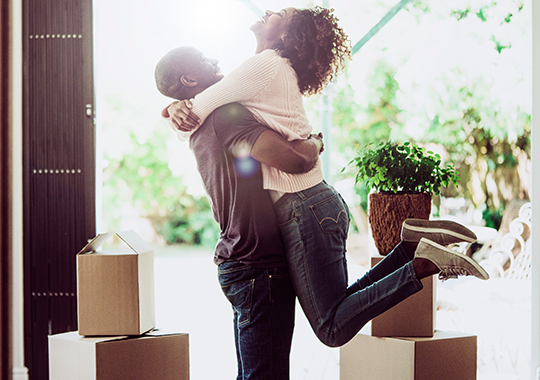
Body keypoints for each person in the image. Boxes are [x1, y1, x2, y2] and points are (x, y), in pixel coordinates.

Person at [157, 6, 489, 349]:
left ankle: (423, 263)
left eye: (277, 15)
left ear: (284, 35)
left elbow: (195, 115)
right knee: (338, 307)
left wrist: (173, 111)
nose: (269, 10)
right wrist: (170, 109)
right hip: (312, 203)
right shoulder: (261, 70)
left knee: (331, 327)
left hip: (302, 205)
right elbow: (201, 112)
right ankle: (409, 248)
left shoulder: (263, 65)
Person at [157, 46, 325, 379]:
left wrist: (172, 109)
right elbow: (296, 161)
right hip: (258, 265)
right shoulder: (225, 116)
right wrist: (316, 142)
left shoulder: (198, 124)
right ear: (189, 78)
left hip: (240, 261)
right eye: (206, 58)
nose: (216, 59)